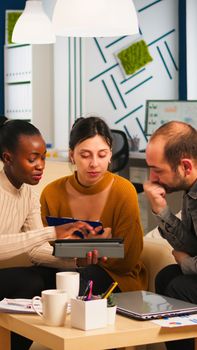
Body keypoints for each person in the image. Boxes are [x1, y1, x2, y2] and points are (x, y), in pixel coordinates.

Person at [0, 116, 99, 350]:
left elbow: (36, 251)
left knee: (58, 279)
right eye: (32, 159)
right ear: (7, 158)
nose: (41, 165)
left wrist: (75, 261)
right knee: (31, 280)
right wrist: (51, 232)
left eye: (43, 157)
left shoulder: (28, 194)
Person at [40, 116, 148, 295]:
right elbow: (41, 249)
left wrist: (98, 255)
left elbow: (128, 260)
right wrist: (74, 256)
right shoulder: (51, 193)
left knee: (79, 280)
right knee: (29, 280)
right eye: (85, 155)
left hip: (115, 275)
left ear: (111, 155)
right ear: (72, 155)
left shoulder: (124, 191)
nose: (94, 163)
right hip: (64, 269)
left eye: (102, 154)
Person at [143, 121, 197, 350]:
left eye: (158, 170)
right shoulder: (191, 191)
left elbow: (187, 254)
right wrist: (160, 209)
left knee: (179, 286)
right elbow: (190, 244)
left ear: (185, 165)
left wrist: (186, 262)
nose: (152, 178)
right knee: (166, 276)